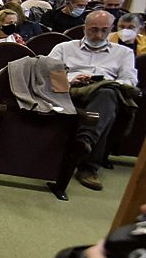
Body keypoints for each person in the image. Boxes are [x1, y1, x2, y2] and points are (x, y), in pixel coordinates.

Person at [49, 11, 138, 191]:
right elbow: (48, 74)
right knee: (106, 108)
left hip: (104, 92)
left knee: (107, 95)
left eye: (104, 30)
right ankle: (88, 165)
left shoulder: (124, 53)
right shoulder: (64, 48)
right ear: (84, 28)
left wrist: (101, 81)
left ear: (111, 30)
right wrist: (71, 80)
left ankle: (84, 141)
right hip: (69, 90)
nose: (98, 35)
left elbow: (130, 82)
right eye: (93, 30)